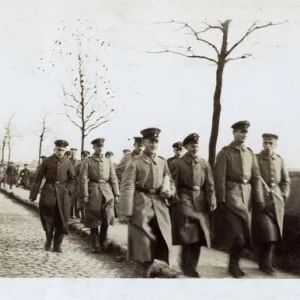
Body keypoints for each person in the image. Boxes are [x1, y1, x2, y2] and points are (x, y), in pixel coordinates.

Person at [119, 128, 175, 277]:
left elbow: (169, 180)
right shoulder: (135, 162)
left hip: (159, 207)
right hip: (140, 207)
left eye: (156, 141)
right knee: (142, 247)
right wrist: (126, 211)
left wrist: (170, 191)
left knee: (156, 244)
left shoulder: (162, 162)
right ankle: (139, 274)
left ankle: (146, 273)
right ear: (143, 142)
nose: (154, 144)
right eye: (151, 141)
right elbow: (127, 186)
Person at [213, 121, 264, 278]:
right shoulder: (225, 153)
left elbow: (256, 177)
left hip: (246, 198)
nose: (244, 135)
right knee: (238, 235)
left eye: (245, 132)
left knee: (245, 234)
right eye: (241, 132)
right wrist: (221, 200)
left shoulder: (249, 153)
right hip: (231, 198)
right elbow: (219, 178)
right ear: (234, 132)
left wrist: (259, 198)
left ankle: (235, 263)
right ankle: (233, 266)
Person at [170, 133, 216, 277]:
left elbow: (209, 184)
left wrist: (212, 199)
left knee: (200, 235)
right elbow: (173, 183)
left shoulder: (203, 163)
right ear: (186, 147)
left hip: (200, 201)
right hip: (185, 200)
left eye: (196, 146)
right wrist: (176, 199)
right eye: (191, 146)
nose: (194, 149)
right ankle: (185, 264)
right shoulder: (177, 163)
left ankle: (192, 266)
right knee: (189, 234)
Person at [253, 133, 290, 275]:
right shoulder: (256, 159)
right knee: (267, 232)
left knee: (274, 234)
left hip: (277, 202)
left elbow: (286, 181)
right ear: (262, 144)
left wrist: (283, 195)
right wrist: (259, 198)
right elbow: (254, 179)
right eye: (266, 143)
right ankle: (265, 264)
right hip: (262, 201)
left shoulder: (279, 160)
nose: (268, 146)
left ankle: (264, 263)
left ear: (275, 145)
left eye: (271, 143)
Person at [29, 140, 75, 252]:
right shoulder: (47, 161)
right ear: (54, 149)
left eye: (63, 150)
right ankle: (48, 240)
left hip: (63, 194)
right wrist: (33, 194)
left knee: (62, 218)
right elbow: (38, 178)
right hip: (48, 192)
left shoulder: (68, 163)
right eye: (58, 150)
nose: (60, 152)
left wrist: (68, 190)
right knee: (48, 218)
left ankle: (57, 245)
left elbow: (73, 179)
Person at [79, 138, 119, 253]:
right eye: (97, 146)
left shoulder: (108, 161)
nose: (100, 148)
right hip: (94, 191)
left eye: (102, 146)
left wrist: (116, 194)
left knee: (106, 217)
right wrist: (85, 195)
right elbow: (82, 179)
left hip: (107, 191)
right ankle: (95, 244)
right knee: (94, 217)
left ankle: (103, 241)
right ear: (94, 147)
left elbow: (113, 177)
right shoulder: (88, 161)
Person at [74, 150, 90, 223]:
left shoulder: (91, 165)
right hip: (80, 186)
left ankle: (87, 218)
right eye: (84, 156)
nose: (85, 157)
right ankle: (83, 217)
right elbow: (74, 176)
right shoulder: (78, 166)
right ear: (81, 157)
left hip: (89, 186)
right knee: (81, 202)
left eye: (87, 156)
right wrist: (79, 180)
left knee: (89, 202)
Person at [69, 148, 81, 219]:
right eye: (72, 153)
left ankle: (77, 213)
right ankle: (70, 213)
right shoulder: (67, 161)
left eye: (74, 153)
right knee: (70, 198)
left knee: (77, 199)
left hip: (77, 183)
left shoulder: (78, 162)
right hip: (70, 182)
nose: (73, 155)